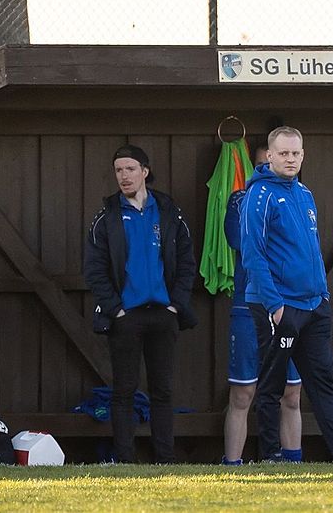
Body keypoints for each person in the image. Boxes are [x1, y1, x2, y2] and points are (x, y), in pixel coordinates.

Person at [240, 126, 333, 463]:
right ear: (269, 156)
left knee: (322, 383)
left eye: (296, 153)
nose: (290, 159)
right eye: (283, 153)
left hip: (314, 305)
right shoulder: (258, 195)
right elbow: (253, 256)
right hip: (279, 306)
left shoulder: (305, 194)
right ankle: (270, 454)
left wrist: (322, 294)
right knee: (271, 385)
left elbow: (312, 248)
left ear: (303, 155)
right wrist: (275, 306)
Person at [83, 144, 197, 464]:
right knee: (123, 391)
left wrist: (176, 304)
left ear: (145, 172)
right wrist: (115, 309)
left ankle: (165, 459)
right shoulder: (107, 216)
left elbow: (186, 261)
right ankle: (125, 460)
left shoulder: (169, 212)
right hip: (126, 315)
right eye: (118, 170)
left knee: (163, 391)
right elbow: (94, 268)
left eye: (130, 169)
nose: (124, 176)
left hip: (163, 312)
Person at [222, 145, 302, 465]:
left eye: (285, 157)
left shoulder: (301, 197)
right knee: (243, 392)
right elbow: (239, 240)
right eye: (263, 163)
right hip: (249, 307)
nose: (270, 168)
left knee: (292, 393)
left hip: (291, 306)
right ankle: (232, 467)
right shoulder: (241, 199)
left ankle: (293, 465)